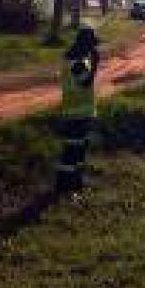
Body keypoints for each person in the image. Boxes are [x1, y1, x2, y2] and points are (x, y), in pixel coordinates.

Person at [57, 27, 100, 193]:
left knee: (79, 149)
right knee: (71, 152)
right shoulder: (75, 60)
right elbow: (86, 82)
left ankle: (76, 183)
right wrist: (96, 63)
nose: (93, 50)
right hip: (75, 114)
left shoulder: (80, 57)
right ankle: (64, 186)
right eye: (91, 46)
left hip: (82, 112)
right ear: (84, 44)